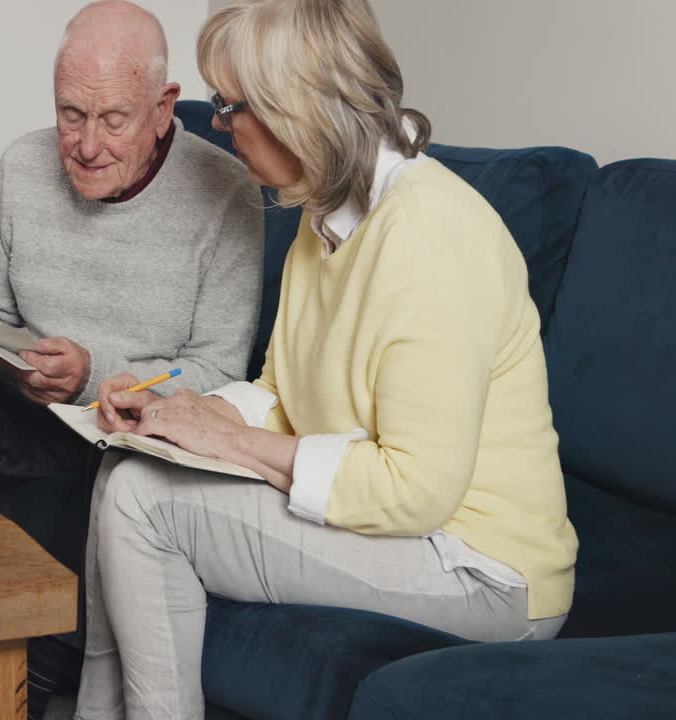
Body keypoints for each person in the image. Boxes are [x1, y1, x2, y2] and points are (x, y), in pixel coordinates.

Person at [75, 1, 580, 717]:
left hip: (481, 568)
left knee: (143, 500)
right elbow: (282, 388)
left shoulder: (431, 235)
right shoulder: (325, 213)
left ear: (291, 107)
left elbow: (414, 490)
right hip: (414, 531)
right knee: (125, 459)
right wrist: (182, 415)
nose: (218, 126)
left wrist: (236, 442)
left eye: (227, 106)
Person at [0, 1, 263, 715]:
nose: (86, 145)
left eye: (113, 120)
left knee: (121, 464)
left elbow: (222, 375)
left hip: (125, 434)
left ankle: (34, 653)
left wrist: (96, 371)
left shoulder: (225, 194)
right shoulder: (23, 166)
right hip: (29, 411)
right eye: (69, 115)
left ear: (162, 107)